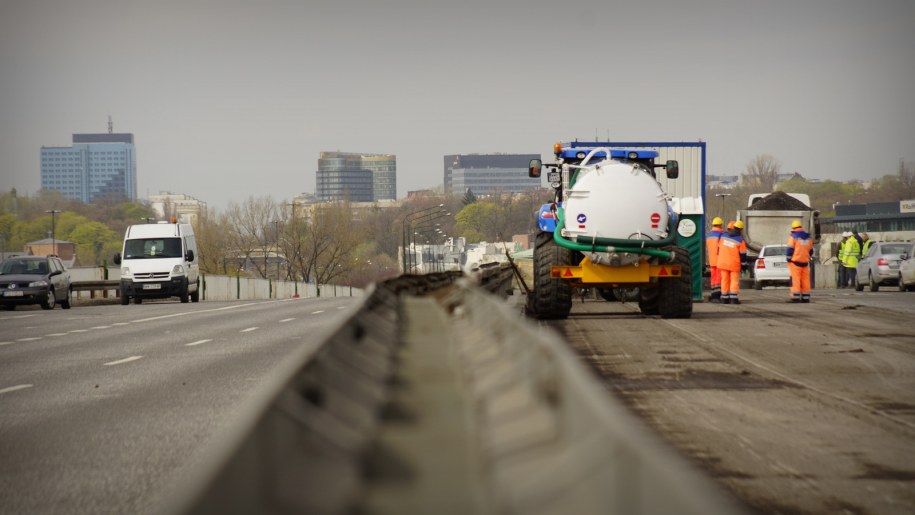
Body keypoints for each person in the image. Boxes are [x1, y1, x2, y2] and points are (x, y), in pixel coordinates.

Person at [717, 220, 748, 304]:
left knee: (724, 280)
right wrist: (744, 265)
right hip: (734, 264)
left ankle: (724, 298)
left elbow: (719, 248)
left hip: (723, 262)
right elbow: (743, 255)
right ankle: (733, 298)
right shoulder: (740, 240)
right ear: (741, 229)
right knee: (734, 280)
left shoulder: (723, 236)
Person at [786, 220, 814, 302]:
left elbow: (790, 249)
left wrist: (788, 258)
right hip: (805, 262)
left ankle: (795, 297)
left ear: (793, 228)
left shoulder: (793, 237)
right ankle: (806, 297)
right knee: (805, 280)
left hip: (795, 262)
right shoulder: (808, 237)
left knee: (795, 280)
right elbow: (811, 250)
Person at [706, 217, 725, 302]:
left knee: (713, 279)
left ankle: (713, 294)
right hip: (719, 260)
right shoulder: (721, 235)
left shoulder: (709, 235)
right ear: (720, 225)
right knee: (718, 279)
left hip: (711, 260)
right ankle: (717, 297)